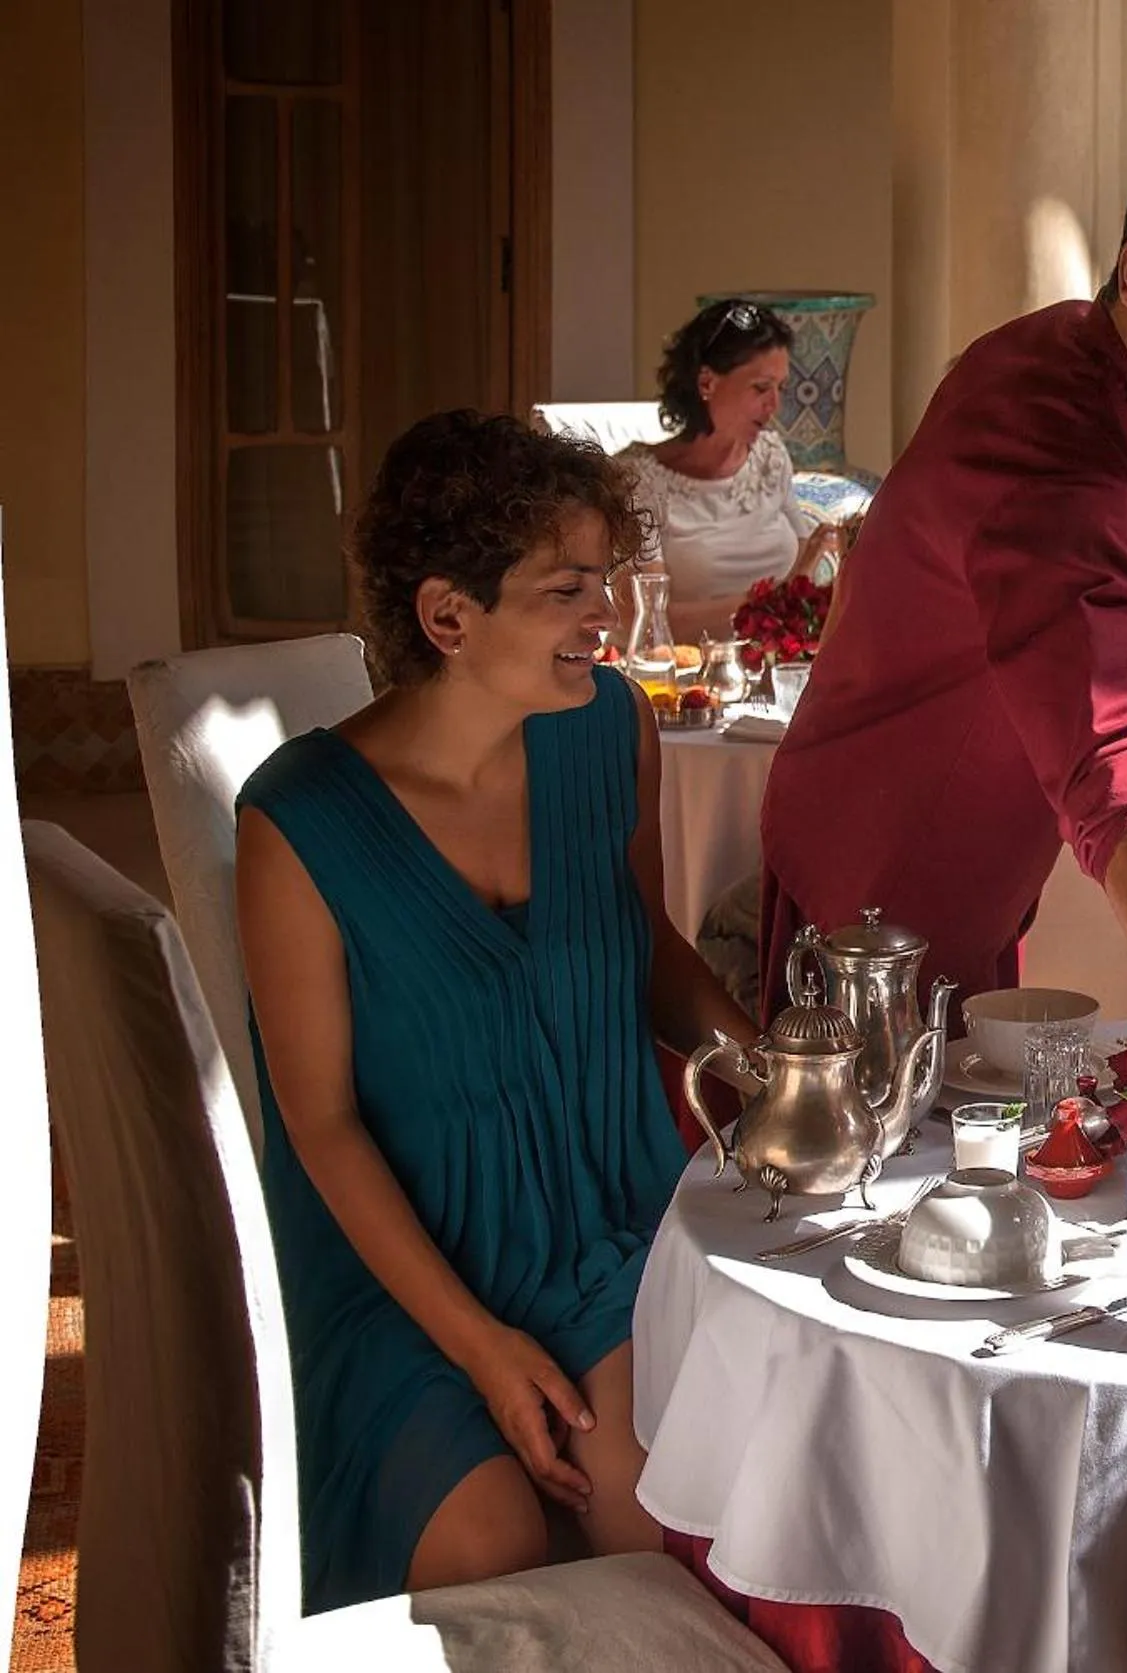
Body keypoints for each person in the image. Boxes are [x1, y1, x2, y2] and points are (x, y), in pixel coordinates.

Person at [758, 117, 1127, 1268]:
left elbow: (1061, 617)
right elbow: (1114, 757)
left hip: (956, 862)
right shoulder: (1057, 437)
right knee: (867, 1237)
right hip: (877, 898)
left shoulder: (1079, 350)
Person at [235, 411, 760, 1609]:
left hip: (599, 1226)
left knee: (645, 1523)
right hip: (401, 1268)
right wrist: (482, 1348)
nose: (606, 618)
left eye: (605, 581)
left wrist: (778, 1073)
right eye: (567, 591)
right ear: (447, 616)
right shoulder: (297, 821)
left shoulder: (611, 727)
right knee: (490, 1547)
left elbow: (645, 947)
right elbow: (321, 1126)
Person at [620, 298, 844, 636]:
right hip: (685, 663)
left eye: (780, 388)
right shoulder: (638, 480)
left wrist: (821, 553)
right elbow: (646, 617)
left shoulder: (771, 456)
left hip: (774, 658)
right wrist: (764, 604)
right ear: (706, 383)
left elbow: (799, 578)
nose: (775, 405)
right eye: (761, 387)